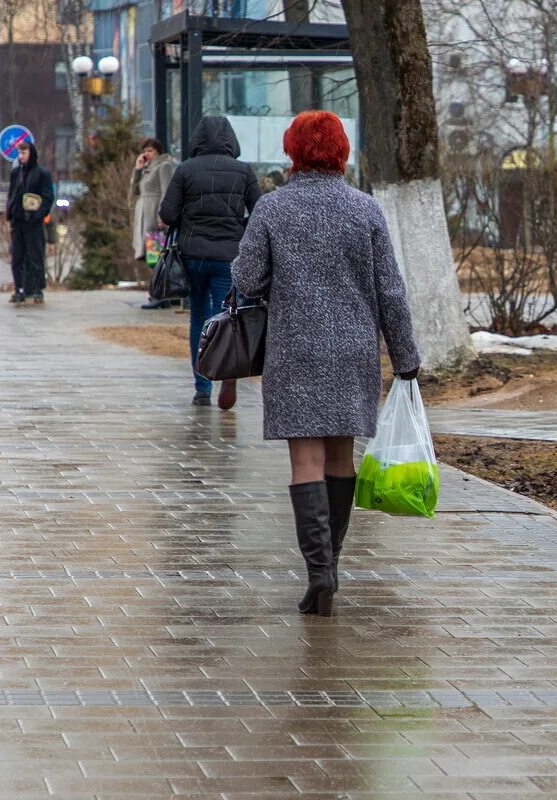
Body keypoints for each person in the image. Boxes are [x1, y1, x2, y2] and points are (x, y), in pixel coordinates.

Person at [232, 110, 420, 617]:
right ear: (342, 151)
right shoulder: (365, 209)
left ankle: (318, 573)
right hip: (354, 351)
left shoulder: (273, 208)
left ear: (293, 151)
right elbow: (391, 293)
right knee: (341, 459)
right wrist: (406, 359)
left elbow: (247, 278)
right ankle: (331, 563)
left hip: (295, 349)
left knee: (305, 463)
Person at [159, 115, 260, 409]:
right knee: (228, 318)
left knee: (199, 319)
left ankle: (202, 386)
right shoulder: (243, 171)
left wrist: (189, 218)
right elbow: (261, 208)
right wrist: (240, 229)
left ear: (198, 140)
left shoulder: (186, 170)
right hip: (229, 255)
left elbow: (167, 213)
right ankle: (228, 372)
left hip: (193, 255)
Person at [130, 137, 176, 310]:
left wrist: (162, 216)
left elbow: (166, 192)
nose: (146, 154)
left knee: (156, 256)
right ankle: (157, 292)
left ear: (158, 151)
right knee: (150, 256)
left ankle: (160, 294)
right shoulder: (146, 169)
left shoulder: (164, 166)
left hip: (154, 215)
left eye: (150, 150)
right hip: (143, 215)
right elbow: (134, 190)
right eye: (145, 151)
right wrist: (138, 169)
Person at [6, 142, 54, 305]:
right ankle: (19, 289)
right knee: (17, 257)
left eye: (24, 153)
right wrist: (10, 212)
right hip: (18, 220)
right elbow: (12, 193)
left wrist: (39, 215)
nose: (21, 156)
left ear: (31, 153)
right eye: (19, 153)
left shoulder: (41, 173)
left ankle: (37, 290)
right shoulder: (16, 173)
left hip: (33, 221)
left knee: (35, 256)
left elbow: (48, 197)